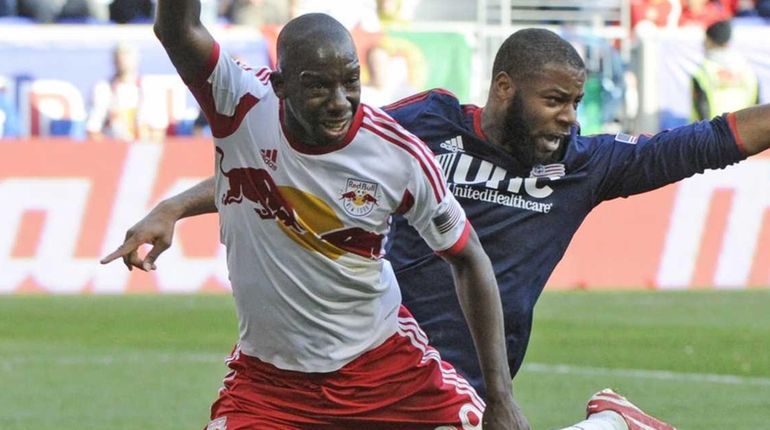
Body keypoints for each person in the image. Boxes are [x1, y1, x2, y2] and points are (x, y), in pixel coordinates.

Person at [107, 25, 770, 428]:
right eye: (555, 100)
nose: (570, 117)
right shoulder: (427, 125)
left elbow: (708, 141)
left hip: (453, 377)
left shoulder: (586, 167)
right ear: (505, 88)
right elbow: (309, 168)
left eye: (574, 103)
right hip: (365, 354)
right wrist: (174, 207)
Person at [106, 3, 528, 429]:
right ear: (280, 86)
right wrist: (174, 206)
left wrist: (501, 397)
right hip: (269, 386)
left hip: (385, 370)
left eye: (351, 81)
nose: (339, 101)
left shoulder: (397, 155)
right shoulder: (239, 103)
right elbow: (177, 29)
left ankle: (601, 417)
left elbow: (469, 257)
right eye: (319, 87)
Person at [86, 43, 166, 142]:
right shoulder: (102, 88)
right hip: (112, 149)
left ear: (136, 58)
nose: (123, 59)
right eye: (119, 55)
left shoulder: (151, 88)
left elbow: (158, 131)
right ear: (113, 60)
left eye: (127, 54)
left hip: (144, 149)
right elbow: (93, 131)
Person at [691, 19, 759, 121]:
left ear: (709, 41)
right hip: (744, 130)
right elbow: (757, 102)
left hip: (714, 130)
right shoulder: (747, 69)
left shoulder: (703, 70)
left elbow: (701, 106)